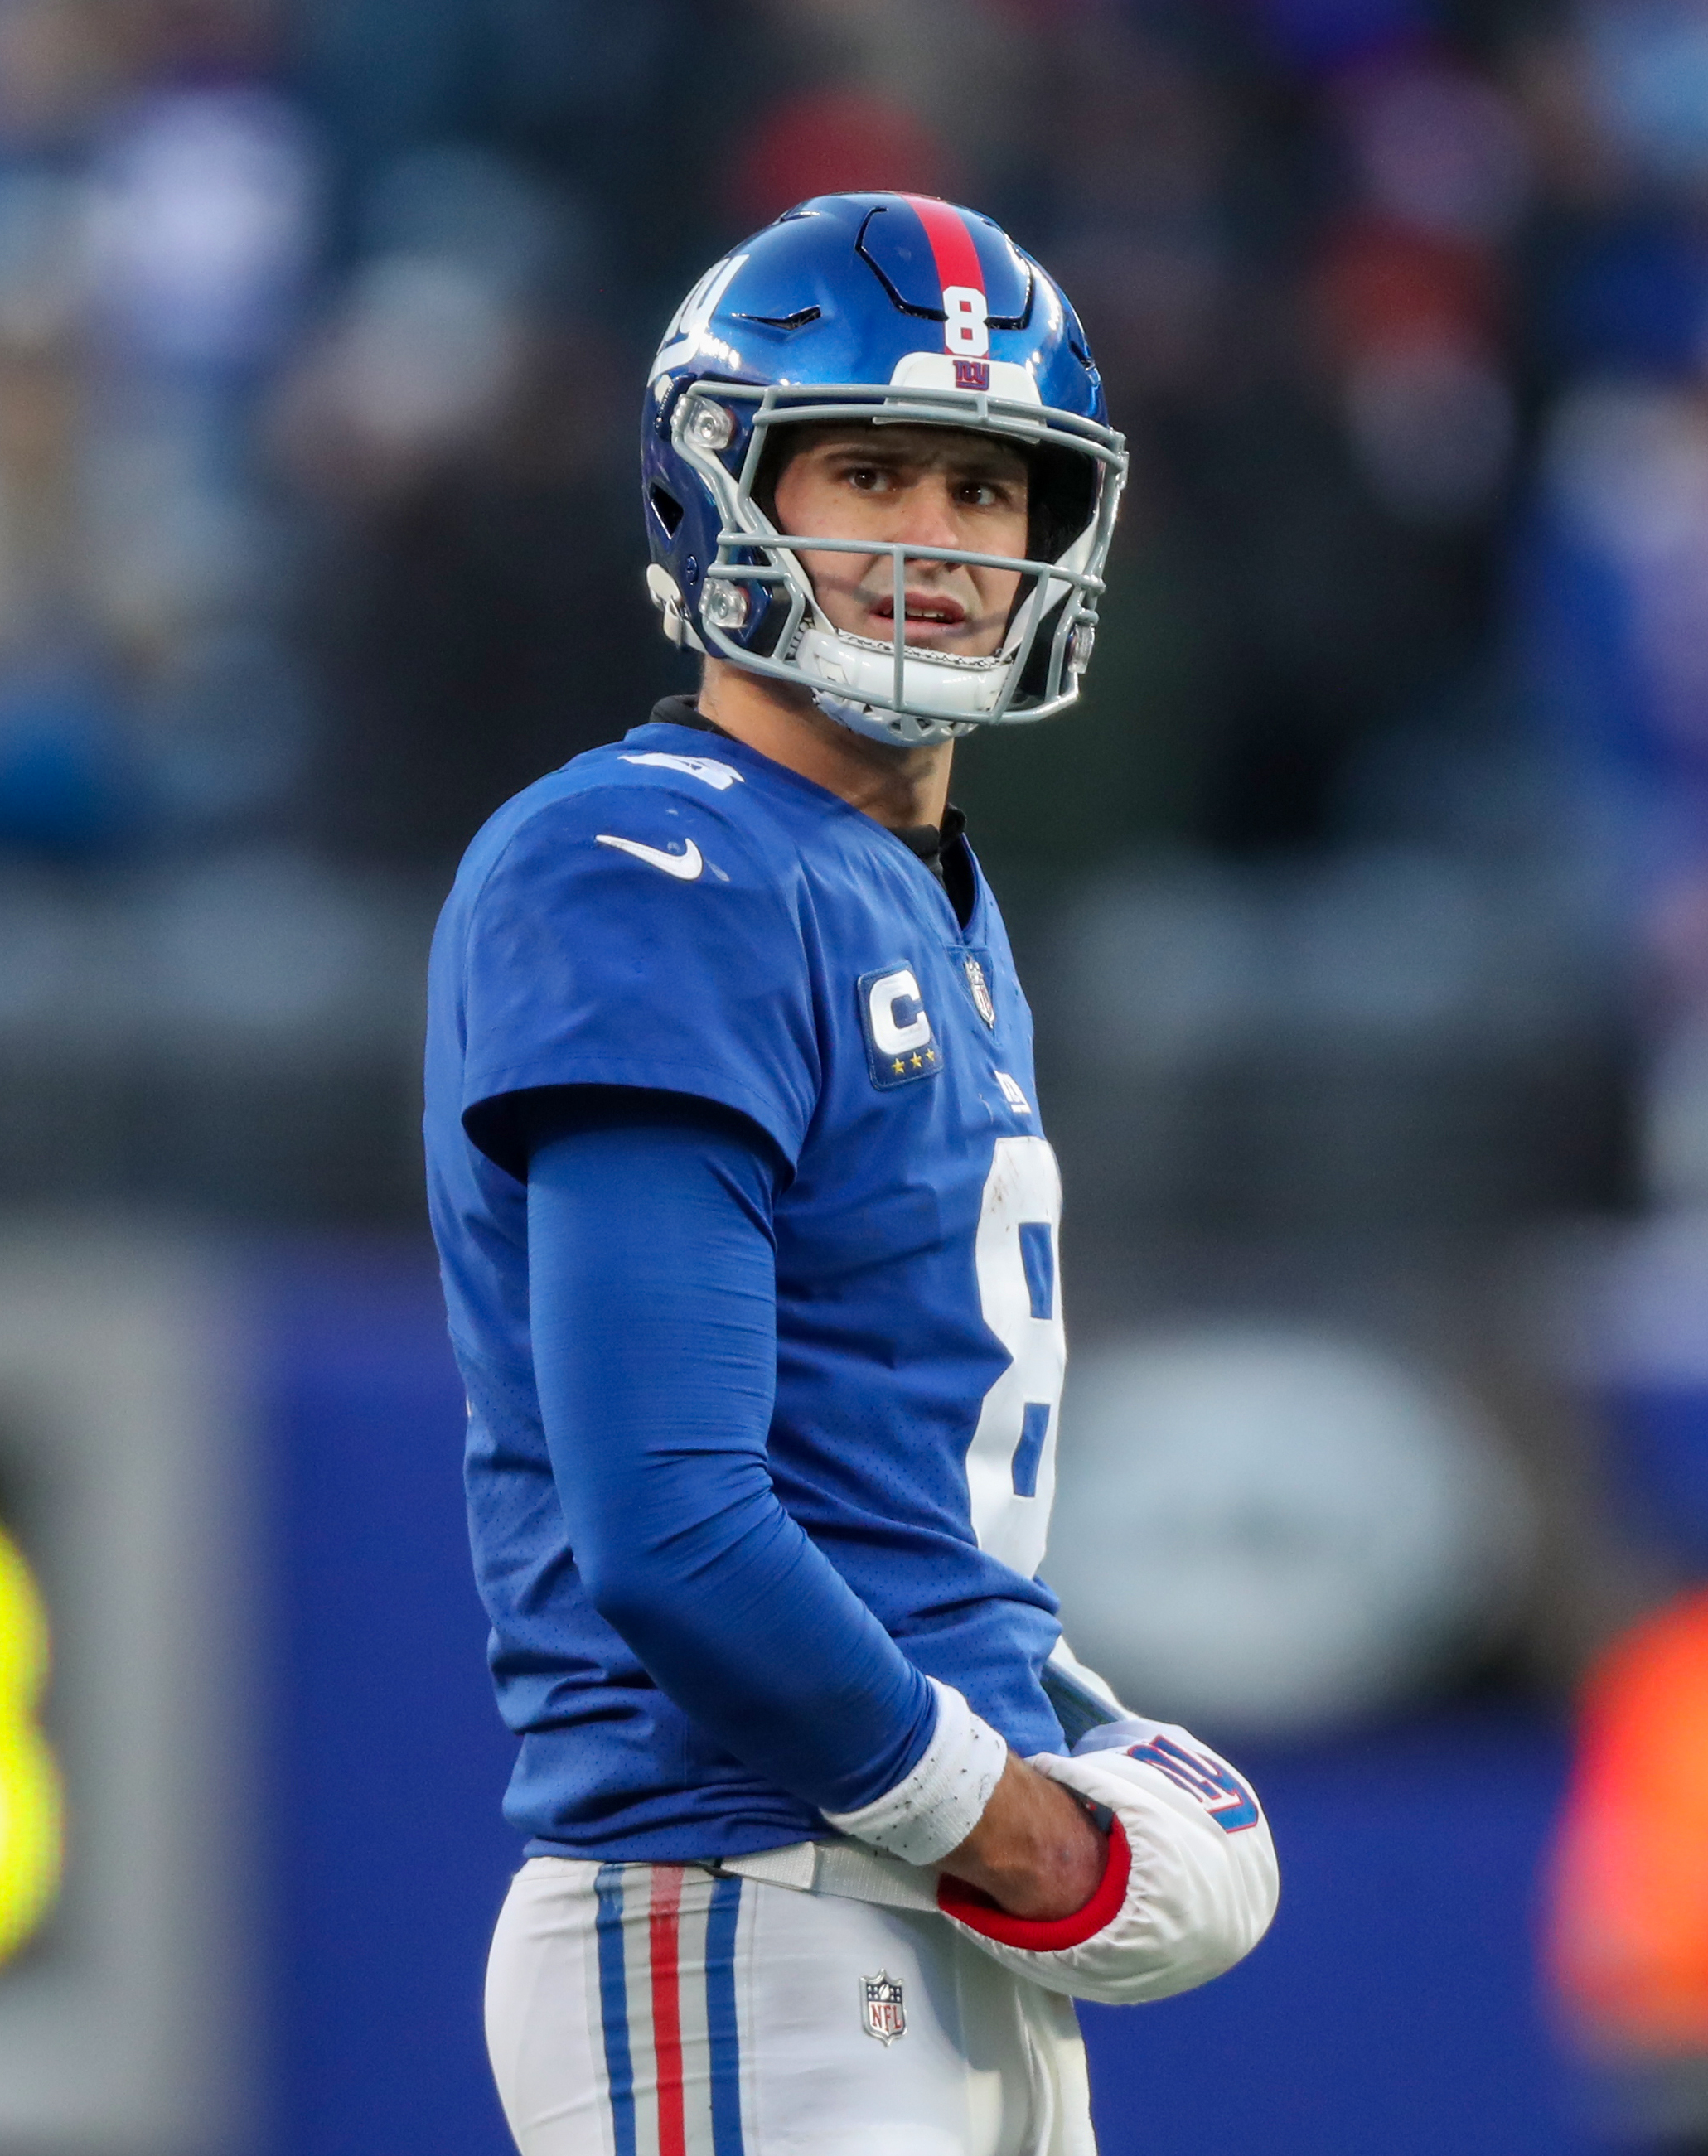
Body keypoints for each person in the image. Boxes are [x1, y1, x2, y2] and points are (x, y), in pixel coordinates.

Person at [424, 193, 1281, 2156]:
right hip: (749, 1894)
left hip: (906, 1912)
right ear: (718, 488)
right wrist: (1029, 1822)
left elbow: (891, 1495)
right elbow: (673, 1523)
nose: (938, 541)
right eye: (871, 469)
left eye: (990, 489)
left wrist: (1072, 1720)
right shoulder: (654, 861)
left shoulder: (911, 890)